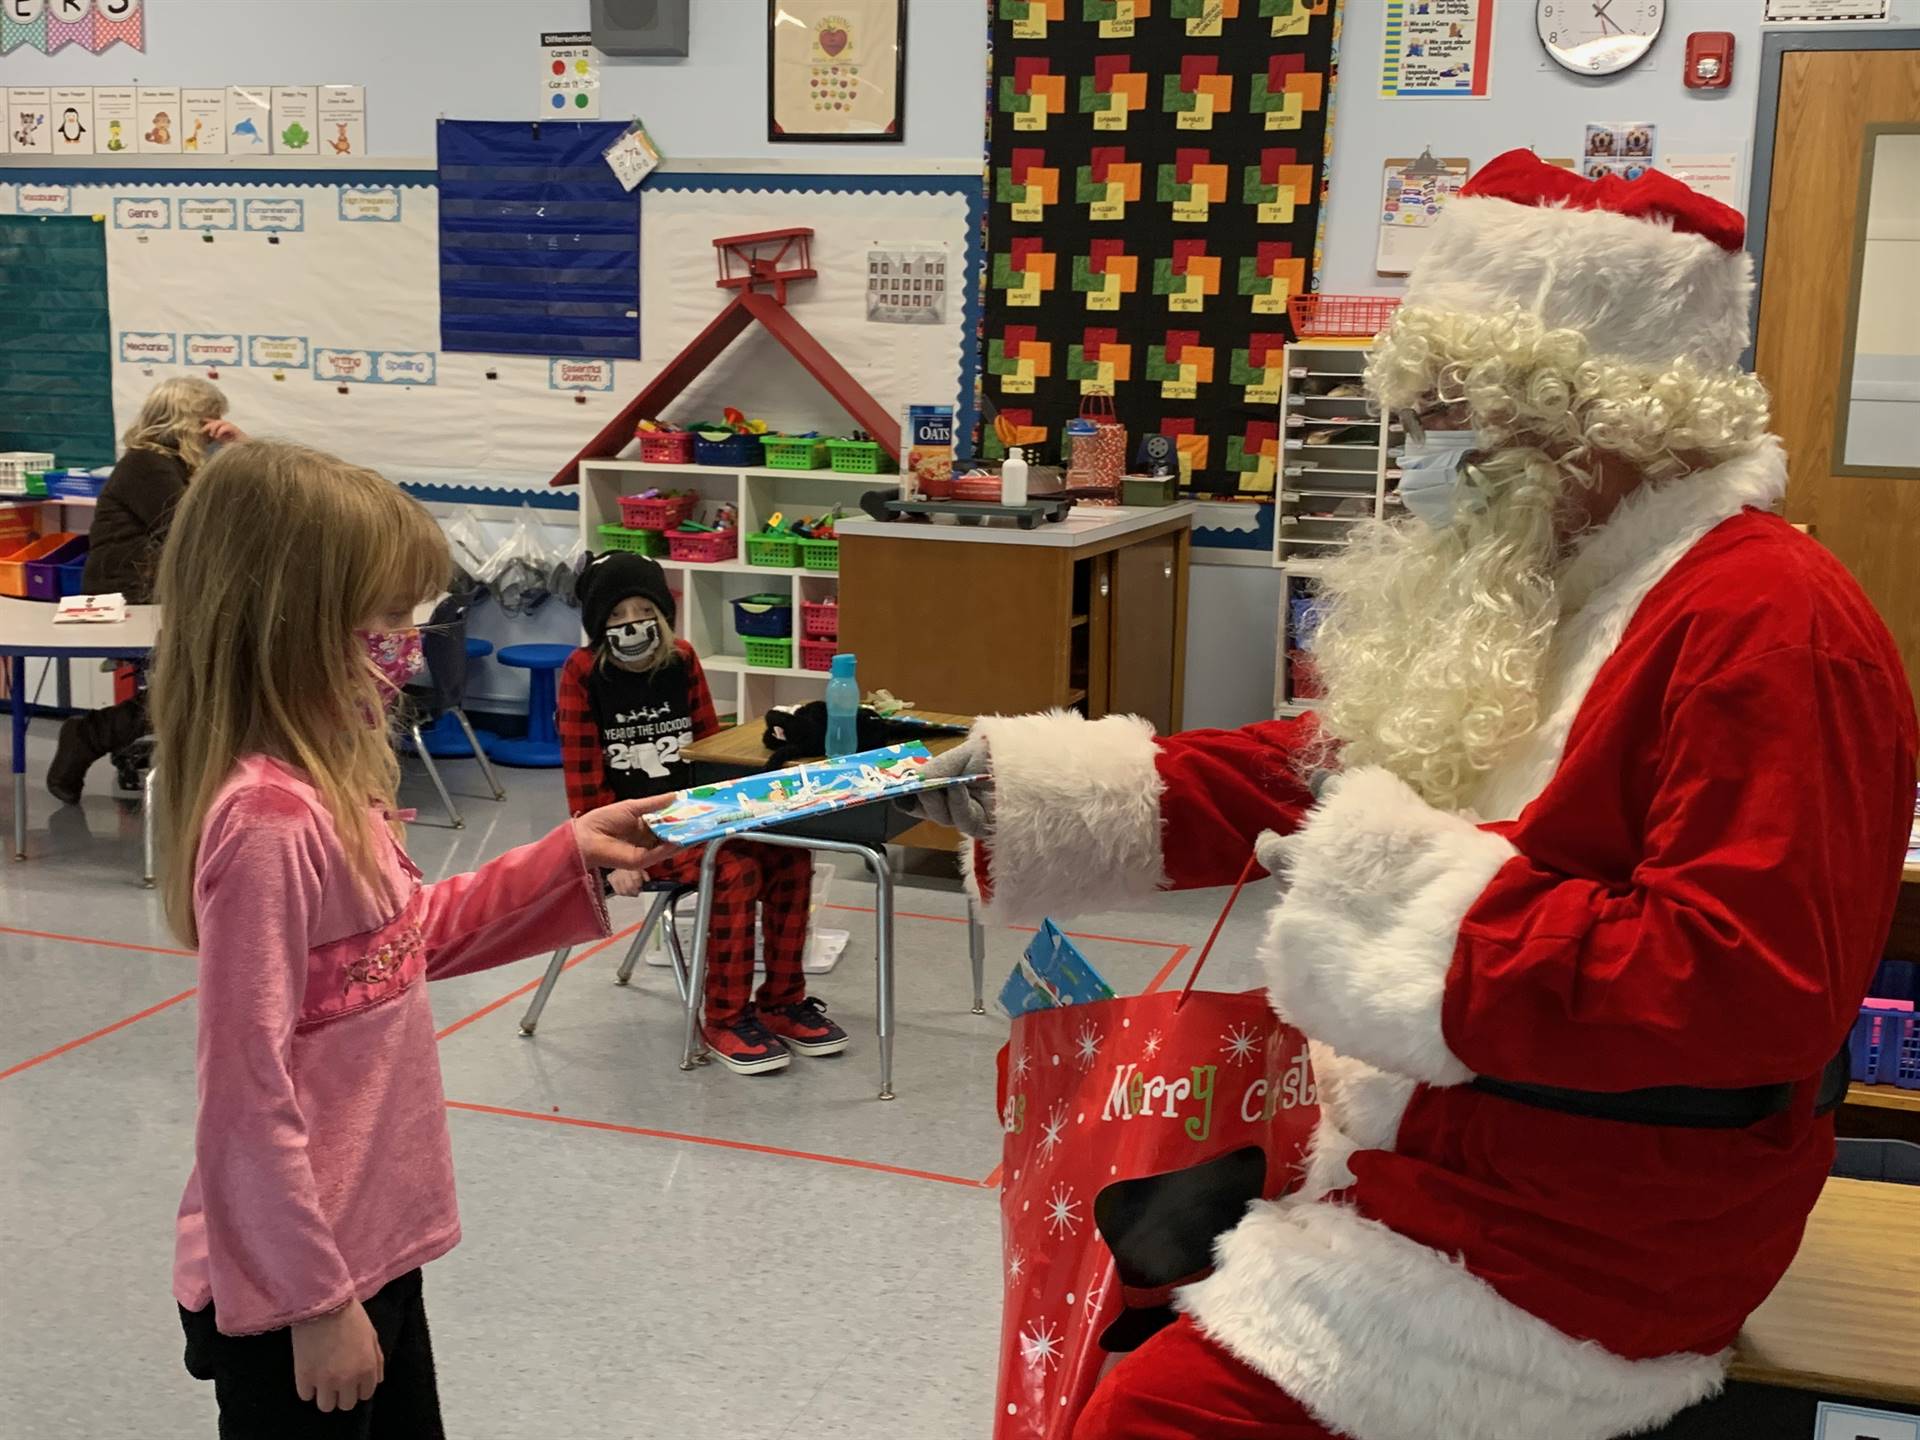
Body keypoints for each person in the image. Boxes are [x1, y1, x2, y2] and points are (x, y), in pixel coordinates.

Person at [916, 151, 1918, 1439]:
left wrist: (1384, 904)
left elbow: (1742, 988)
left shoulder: (1771, 626)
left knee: (1149, 1420)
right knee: (1114, 1301)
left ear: (1598, 419)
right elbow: (1329, 762)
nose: (1433, 458)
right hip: (1439, 1143)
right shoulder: (1558, 584)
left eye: (1467, 419)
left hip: (1594, 1234)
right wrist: (1015, 794)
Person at [153, 440, 673, 1435]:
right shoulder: (269, 824)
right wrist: (314, 1303)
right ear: (290, 625)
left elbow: (402, 941)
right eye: (386, 618)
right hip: (302, 1286)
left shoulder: (327, 791)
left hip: (367, 1247)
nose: (408, 641)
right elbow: (243, 1101)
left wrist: (566, 853)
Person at [556, 551, 849, 1074]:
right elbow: (583, 781)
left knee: (788, 857)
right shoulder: (582, 674)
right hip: (633, 835)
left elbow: (710, 754)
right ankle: (723, 1018)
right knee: (733, 871)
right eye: (617, 617)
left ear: (663, 616)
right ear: (599, 625)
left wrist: (735, 814)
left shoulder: (683, 659)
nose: (631, 625)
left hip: (697, 816)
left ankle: (781, 1001)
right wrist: (618, 857)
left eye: (642, 611)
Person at [47, 376, 244, 803]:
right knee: (201, 685)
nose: (214, 430)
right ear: (189, 422)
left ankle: (94, 735)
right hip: (134, 596)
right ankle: (90, 734)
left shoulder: (171, 464)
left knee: (205, 681)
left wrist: (237, 452)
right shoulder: (148, 464)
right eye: (210, 421)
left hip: (156, 593)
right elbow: (192, 529)